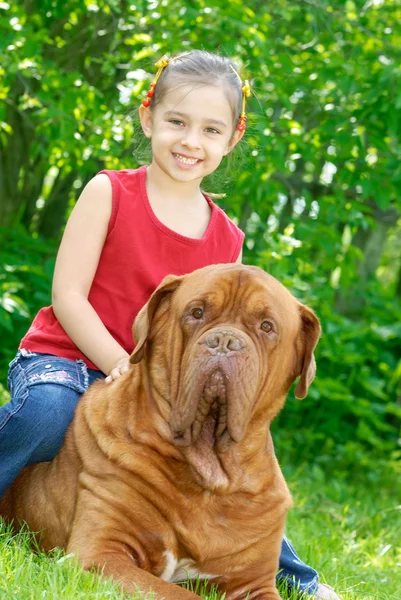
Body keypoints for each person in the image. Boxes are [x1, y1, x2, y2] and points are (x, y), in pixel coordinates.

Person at [0, 50, 339, 600]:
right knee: (44, 414)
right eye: (177, 122)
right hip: (69, 362)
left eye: (210, 129)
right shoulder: (109, 191)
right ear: (148, 117)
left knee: (238, 467)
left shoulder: (226, 235)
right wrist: (116, 364)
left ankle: (294, 577)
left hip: (161, 386)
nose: (190, 141)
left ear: (232, 138)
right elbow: (67, 296)